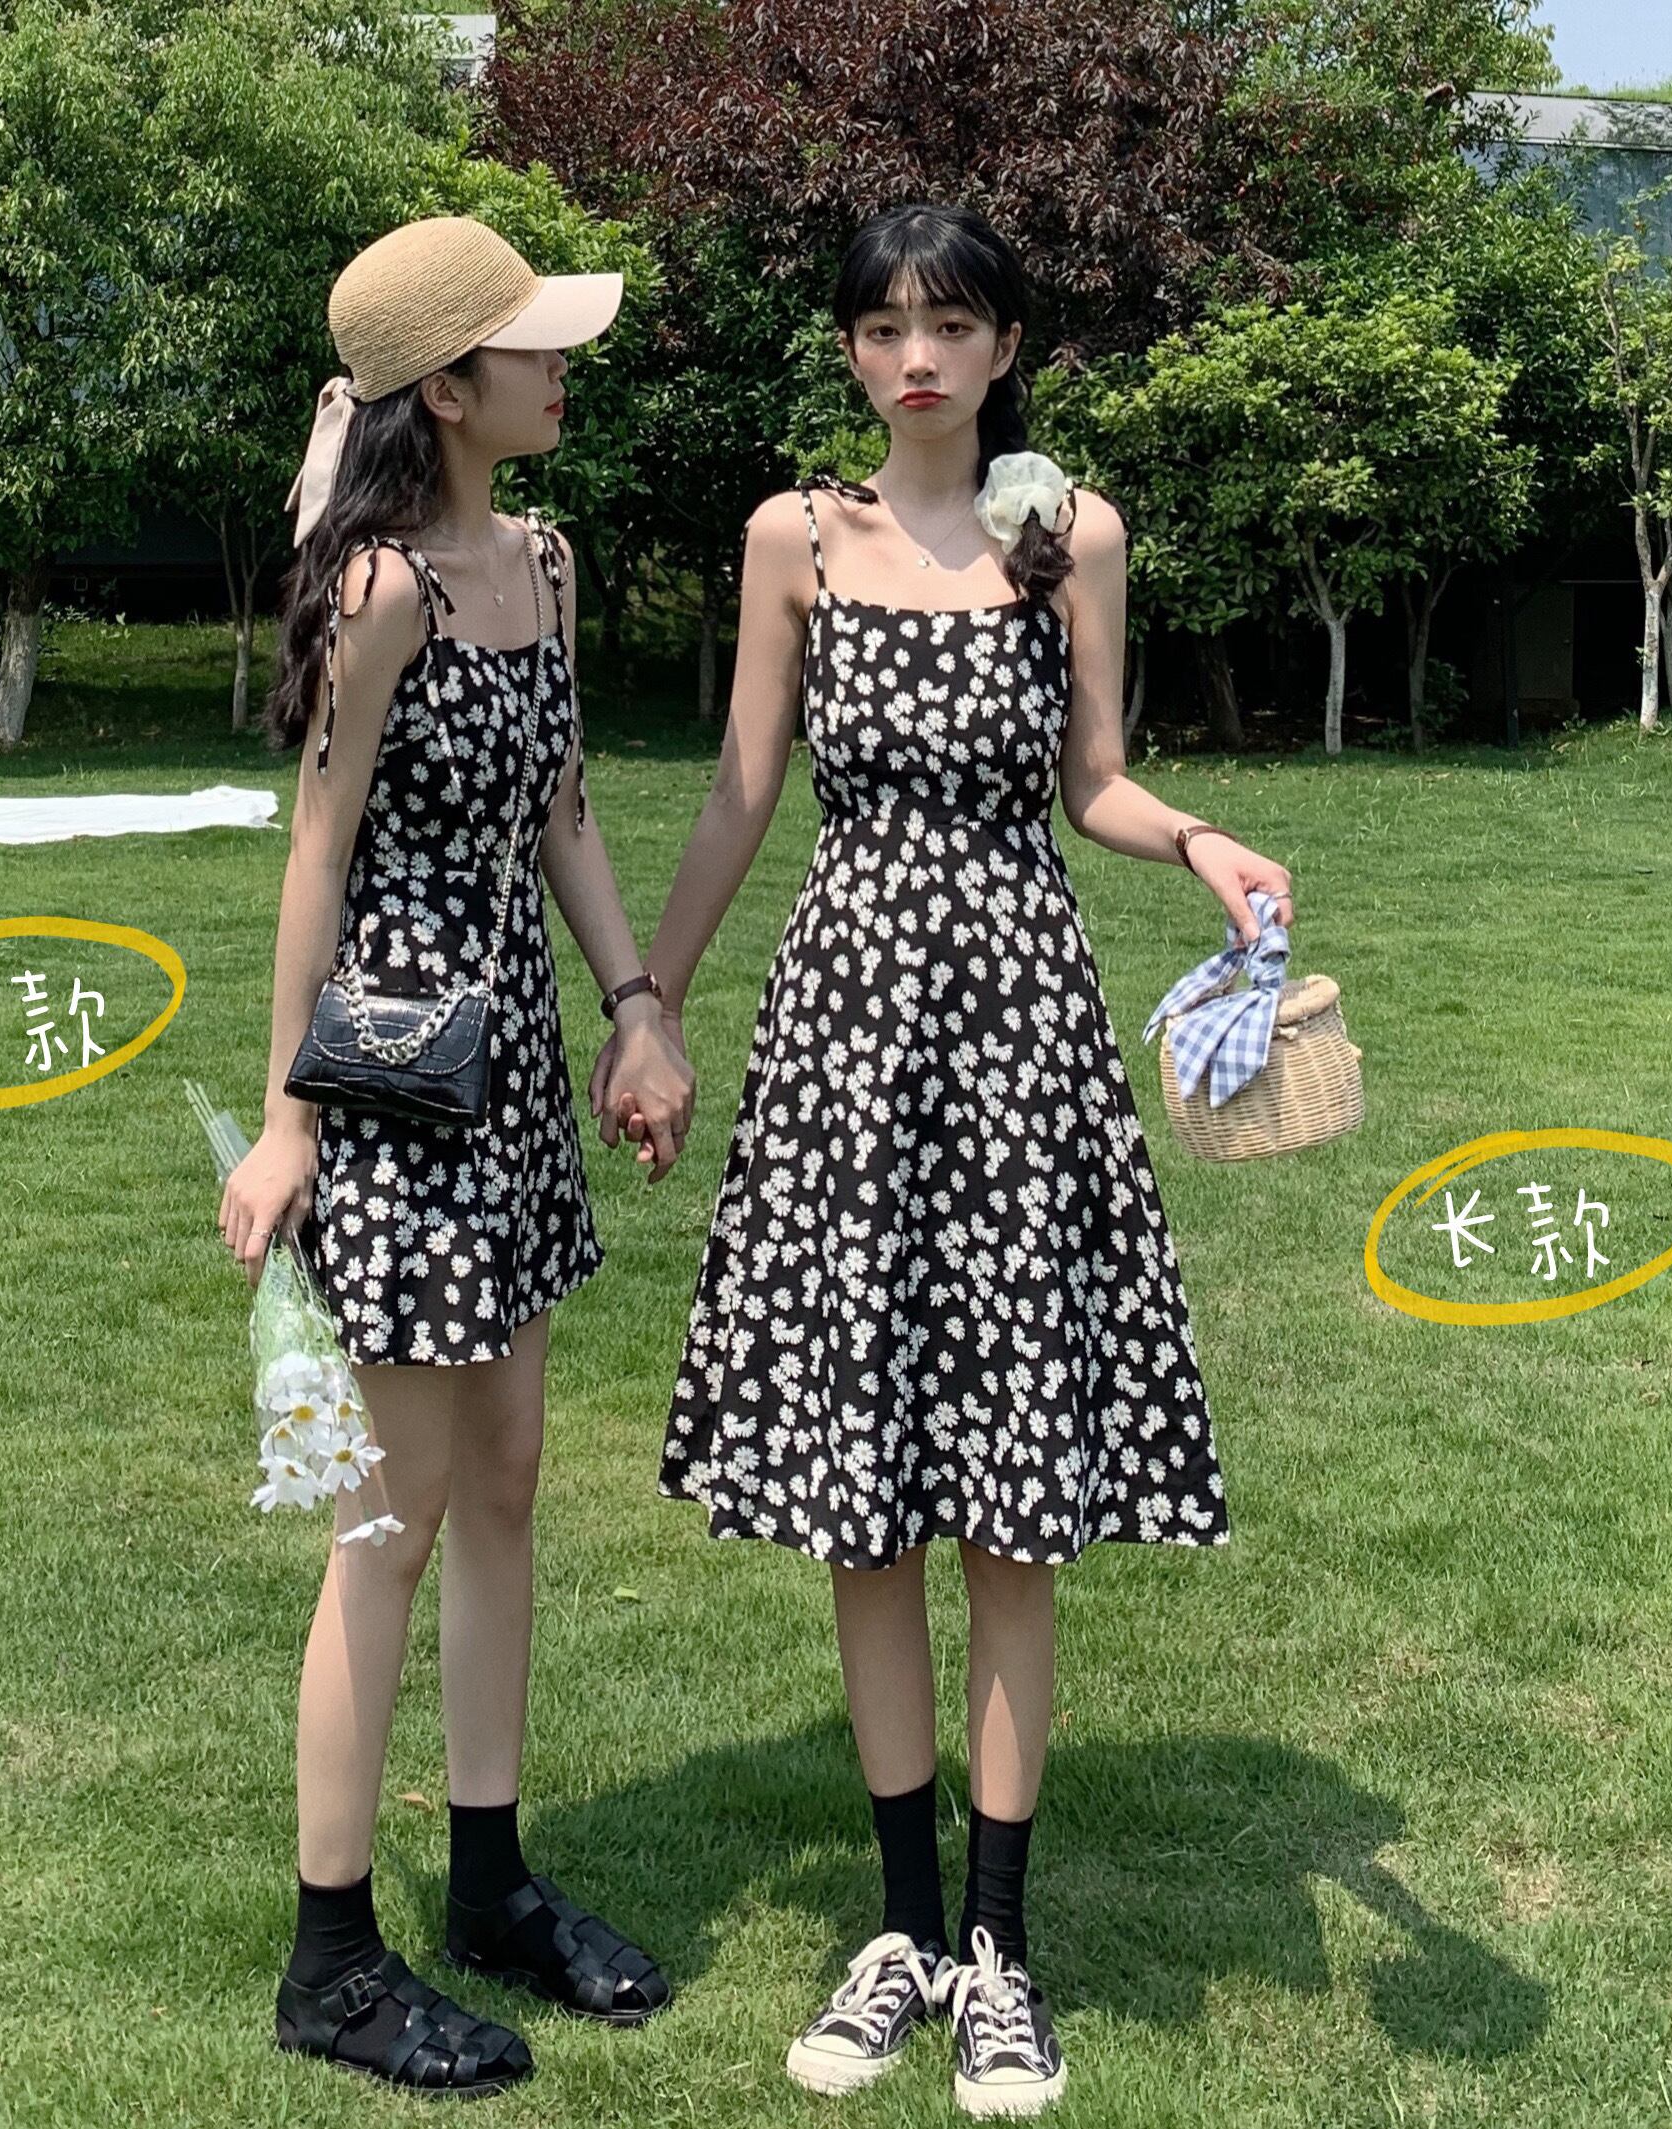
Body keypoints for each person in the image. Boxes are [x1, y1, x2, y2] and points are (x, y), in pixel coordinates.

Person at [594, 202, 1292, 2119]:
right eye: (887, 326)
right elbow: (743, 787)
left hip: (1019, 1043)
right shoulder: (793, 539)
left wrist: (1199, 842)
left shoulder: (1072, 536)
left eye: (953, 325)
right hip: (843, 1040)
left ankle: (996, 1952)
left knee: (1009, 1504)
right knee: (866, 1498)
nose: (918, 357)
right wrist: (650, 1001)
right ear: (849, 349)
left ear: (1004, 349)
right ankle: (899, 1931)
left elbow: (1093, 779)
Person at [219, 214, 692, 2101]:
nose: (560, 369)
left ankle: (488, 1882)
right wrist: (287, 1120)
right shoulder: (381, 590)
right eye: (531, 347)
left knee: (501, 1480)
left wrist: (634, 1003)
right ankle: (331, 1958)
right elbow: (315, 850)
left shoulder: (544, 563)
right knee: (386, 1519)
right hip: (397, 1083)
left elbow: (562, 806)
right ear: (443, 388)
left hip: (511, 1087)